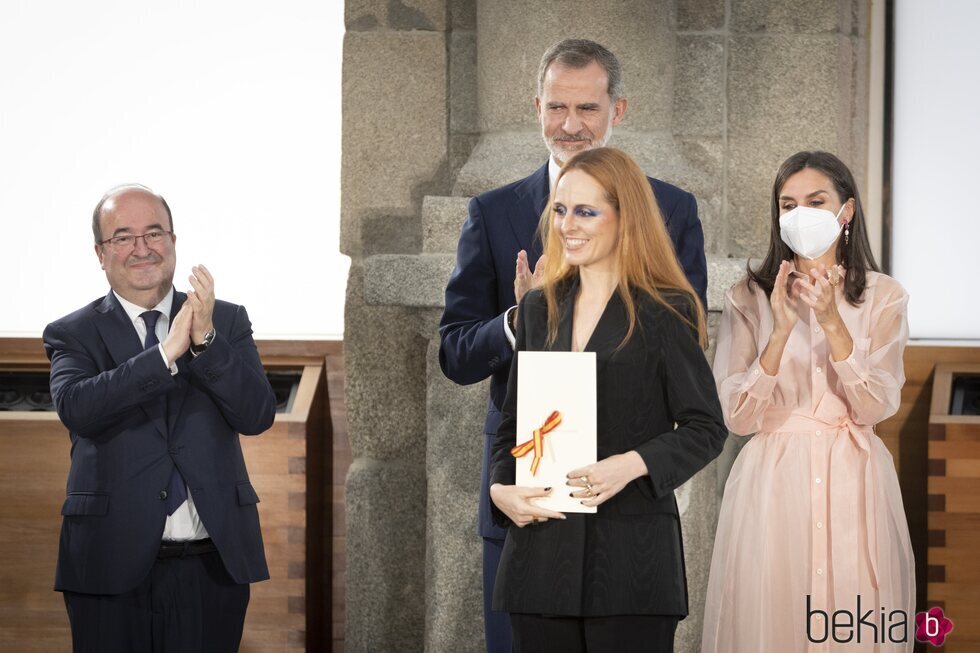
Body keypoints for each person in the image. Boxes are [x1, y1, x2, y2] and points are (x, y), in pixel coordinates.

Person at [438, 38, 708, 652]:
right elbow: (454, 354)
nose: (570, 125)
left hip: (625, 496)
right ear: (536, 107)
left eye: (587, 109)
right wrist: (523, 317)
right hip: (528, 497)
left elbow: (686, 354)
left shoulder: (672, 209)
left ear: (619, 110)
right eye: (557, 107)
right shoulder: (493, 211)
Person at [487, 147, 727, 653]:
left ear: (625, 217)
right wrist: (499, 492)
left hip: (631, 566)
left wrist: (632, 464)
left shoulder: (667, 309)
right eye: (560, 209)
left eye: (586, 211)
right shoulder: (536, 308)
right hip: (539, 563)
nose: (566, 224)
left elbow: (706, 428)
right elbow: (511, 428)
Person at [43, 184, 276, 652]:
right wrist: (165, 354)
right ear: (100, 253)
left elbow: (256, 414)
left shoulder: (225, 320)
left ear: (173, 241)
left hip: (212, 564)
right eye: (123, 237)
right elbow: (78, 409)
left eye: (154, 233)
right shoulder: (73, 332)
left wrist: (205, 340)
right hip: (108, 564)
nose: (142, 248)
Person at [701, 152, 915, 652]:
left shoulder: (884, 296)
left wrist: (834, 324)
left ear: (846, 211)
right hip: (774, 478)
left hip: (855, 477)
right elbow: (737, 415)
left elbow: (877, 405)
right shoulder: (747, 297)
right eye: (788, 204)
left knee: (854, 617)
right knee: (772, 616)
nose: (801, 213)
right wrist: (780, 333)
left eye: (815, 201)